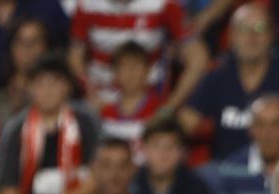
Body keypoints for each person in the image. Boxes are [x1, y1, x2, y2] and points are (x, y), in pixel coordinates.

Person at [179, 4, 279, 161]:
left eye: (260, 28)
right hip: (226, 173)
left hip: (275, 171)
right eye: (243, 29)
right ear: (232, 37)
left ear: (271, 35)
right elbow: (185, 124)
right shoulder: (217, 77)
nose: (252, 36)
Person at [0, 54, 99, 194]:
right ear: (29, 88)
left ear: (67, 86)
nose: (47, 91)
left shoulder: (85, 120)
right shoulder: (15, 128)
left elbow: (99, 175)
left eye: (54, 83)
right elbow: (7, 184)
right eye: (39, 84)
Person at [69, 0, 206, 113]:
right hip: (100, 103)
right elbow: (75, 56)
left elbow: (198, 58)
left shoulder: (164, 5)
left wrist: (169, 108)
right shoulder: (86, 5)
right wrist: (90, 93)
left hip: (150, 107)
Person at [97, 42, 164, 153]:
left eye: (135, 66)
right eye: (124, 67)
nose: (130, 73)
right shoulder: (102, 108)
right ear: (115, 73)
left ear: (147, 71)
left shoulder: (159, 110)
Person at [0, 17, 53, 122]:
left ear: (46, 46)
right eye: (20, 42)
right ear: (10, 48)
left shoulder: (59, 92)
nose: (27, 48)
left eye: (34, 41)